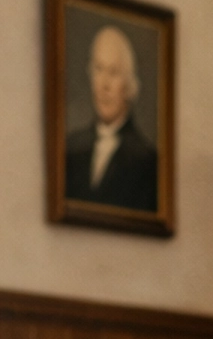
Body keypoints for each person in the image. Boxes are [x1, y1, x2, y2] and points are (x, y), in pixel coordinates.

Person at [64, 22, 158, 212]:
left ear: (129, 86)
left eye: (114, 72)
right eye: (99, 69)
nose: (104, 84)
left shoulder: (148, 161)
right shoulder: (69, 148)